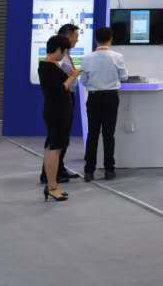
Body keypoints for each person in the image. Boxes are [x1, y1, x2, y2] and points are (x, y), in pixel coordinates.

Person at [80, 26, 127, 182]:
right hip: (111, 98)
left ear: (96, 39)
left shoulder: (87, 58)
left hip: (94, 98)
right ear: (110, 39)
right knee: (108, 134)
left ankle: (89, 171)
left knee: (92, 134)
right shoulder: (118, 57)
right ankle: (109, 170)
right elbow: (124, 77)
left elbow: (83, 81)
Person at [39, 35, 80, 201]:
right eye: (64, 52)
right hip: (57, 112)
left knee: (54, 147)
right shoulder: (48, 67)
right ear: (57, 49)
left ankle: (52, 184)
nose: (64, 55)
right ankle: (52, 186)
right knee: (54, 149)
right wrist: (73, 76)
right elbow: (59, 89)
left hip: (58, 111)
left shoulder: (51, 66)